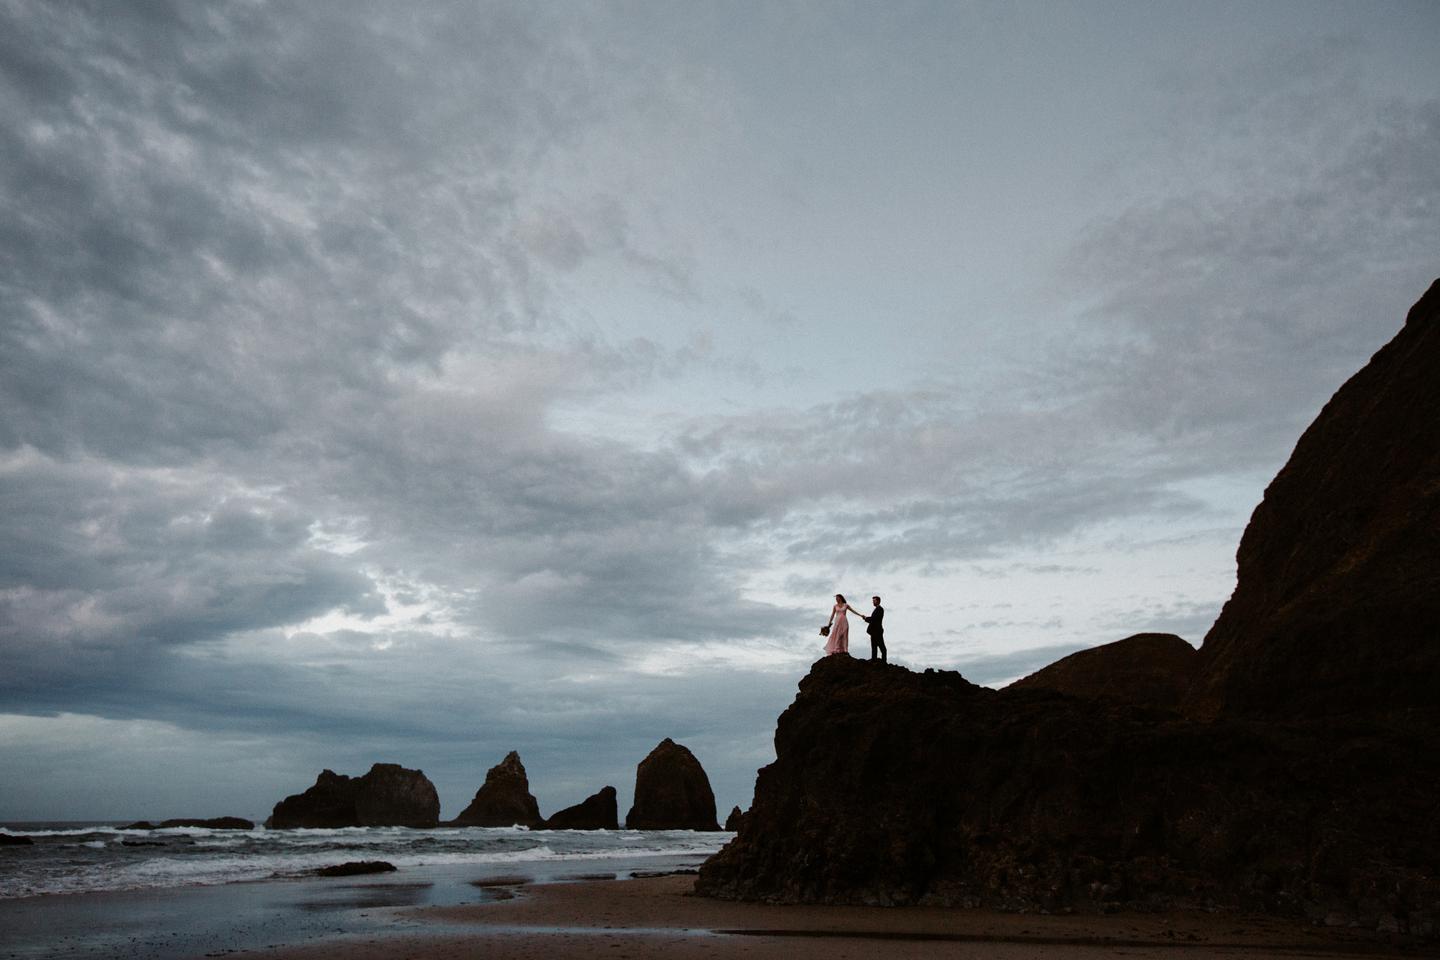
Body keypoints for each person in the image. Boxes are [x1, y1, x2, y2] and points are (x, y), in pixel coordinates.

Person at [861, 595, 886, 662]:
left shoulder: (880, 609)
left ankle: (884, 662)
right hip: (873, 631)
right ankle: (874, 660)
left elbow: (874, 619)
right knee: (874, 647)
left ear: (878, 601)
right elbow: (873, 619)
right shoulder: (877, 609)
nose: (873, 602)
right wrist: (865, 618)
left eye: (874, 601)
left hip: (877, 631)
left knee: (882, 647)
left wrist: (866, 618)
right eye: (873, 601)